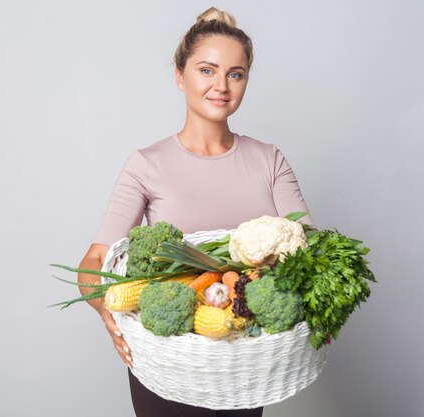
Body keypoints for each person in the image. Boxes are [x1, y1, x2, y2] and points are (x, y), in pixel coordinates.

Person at [77, 7, 313, 417]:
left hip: (243, 366)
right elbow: (95, 261)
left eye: (235, 74)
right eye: (207, 70)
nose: (221, 85)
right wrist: (106, 313)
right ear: (179, 75)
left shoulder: (269, 160)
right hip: (168, 365)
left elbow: (313, 253)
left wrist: (319, 311)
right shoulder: (147, 163)